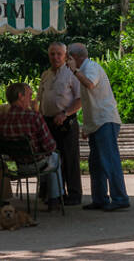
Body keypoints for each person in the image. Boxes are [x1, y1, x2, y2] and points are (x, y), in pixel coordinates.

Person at [67, 42, 130, 212]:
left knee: (109, 161)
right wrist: (87, 127)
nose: (67, 61)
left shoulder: (91, 67)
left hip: (105, 121)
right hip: (96, 123)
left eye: (68, 57)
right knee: (95, 163)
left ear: (76, 57)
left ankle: (120, 198)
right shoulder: (84, 69)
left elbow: (91, 84)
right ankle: (100, 199)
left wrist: (74, 70)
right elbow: (88, 102)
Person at [0, 82, 61, 206]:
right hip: (34, 164)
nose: (32, 98)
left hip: (12, 166)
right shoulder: (33, 116)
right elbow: (50, 146)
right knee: (54, 156)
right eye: (30, 95)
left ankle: (44, 192)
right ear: (21, 96)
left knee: (47, 156)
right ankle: (54, 199)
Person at [37, 42, 83, 206]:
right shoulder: (45, 75)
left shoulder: (72, 73)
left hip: (66, 121)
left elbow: (80, 100)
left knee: (70, 159)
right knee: (51, 159)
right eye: (52, 54)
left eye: (58, 54)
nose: (55, 57)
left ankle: (74, 195)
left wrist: (65, 114)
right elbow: (39, 99)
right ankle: (56, 194)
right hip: (47, 122)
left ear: (65, 56)